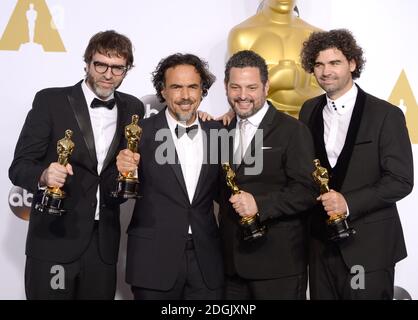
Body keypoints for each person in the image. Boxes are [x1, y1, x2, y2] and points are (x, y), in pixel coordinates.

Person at [9, 30, 144, 299]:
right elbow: (19, 166)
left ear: (127, 70)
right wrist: (44, 175)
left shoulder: (133, 107)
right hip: (54, 239)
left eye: (118, 68)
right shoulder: (50, 101)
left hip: (103, 244)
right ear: (87, 63)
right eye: (100, 65)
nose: (108, 74)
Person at [299, 29, 414, 299]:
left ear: (352, 63)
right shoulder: (308, 110)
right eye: (319, 64)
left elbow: (400, 180)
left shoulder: (386, 115)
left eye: (334, 63)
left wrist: (348, 203)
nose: (326, 71)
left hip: (368, 249)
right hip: (320, 247)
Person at [116, 53, 224, 300]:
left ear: (202, 90)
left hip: (206, 261)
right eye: (176, 87)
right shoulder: (139, 133)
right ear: (162, 91)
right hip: (152, 260)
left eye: (192, 87)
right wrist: (120, 171)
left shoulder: (218, 133)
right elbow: (118, 193)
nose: (185, 96)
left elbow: (228, 190)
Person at [218, 50, 317, 299]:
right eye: (235, 87)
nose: (242, 96)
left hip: (278, 266)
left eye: (251, 87)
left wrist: (259, 205)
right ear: (226, 87)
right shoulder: (220, 132)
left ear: (266, 86)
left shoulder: (293, 131)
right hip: (230, 267)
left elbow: (307, 190)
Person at [227, 0, 323, 118]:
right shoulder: (242, 35)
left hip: (308, 125)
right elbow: (238, 91)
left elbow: (324, 89)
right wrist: (275, 80)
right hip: (259, 126)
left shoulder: (316, 35)